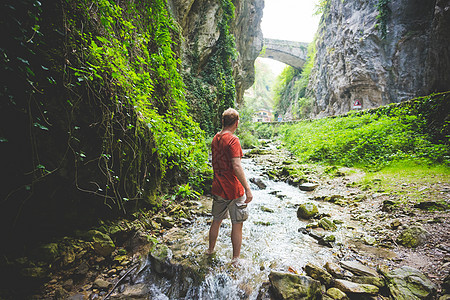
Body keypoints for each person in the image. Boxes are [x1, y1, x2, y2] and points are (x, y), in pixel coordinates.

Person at [207, 108, 253, 264]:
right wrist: (247, 189)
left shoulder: (215, 138)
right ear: (236, 123)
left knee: (216, 221)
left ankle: (210, 250)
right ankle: (235, 259)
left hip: (218, 187)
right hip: (233, 189)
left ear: (222, 122)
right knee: (237, 224)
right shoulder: (233, 140)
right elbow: (236, 165)